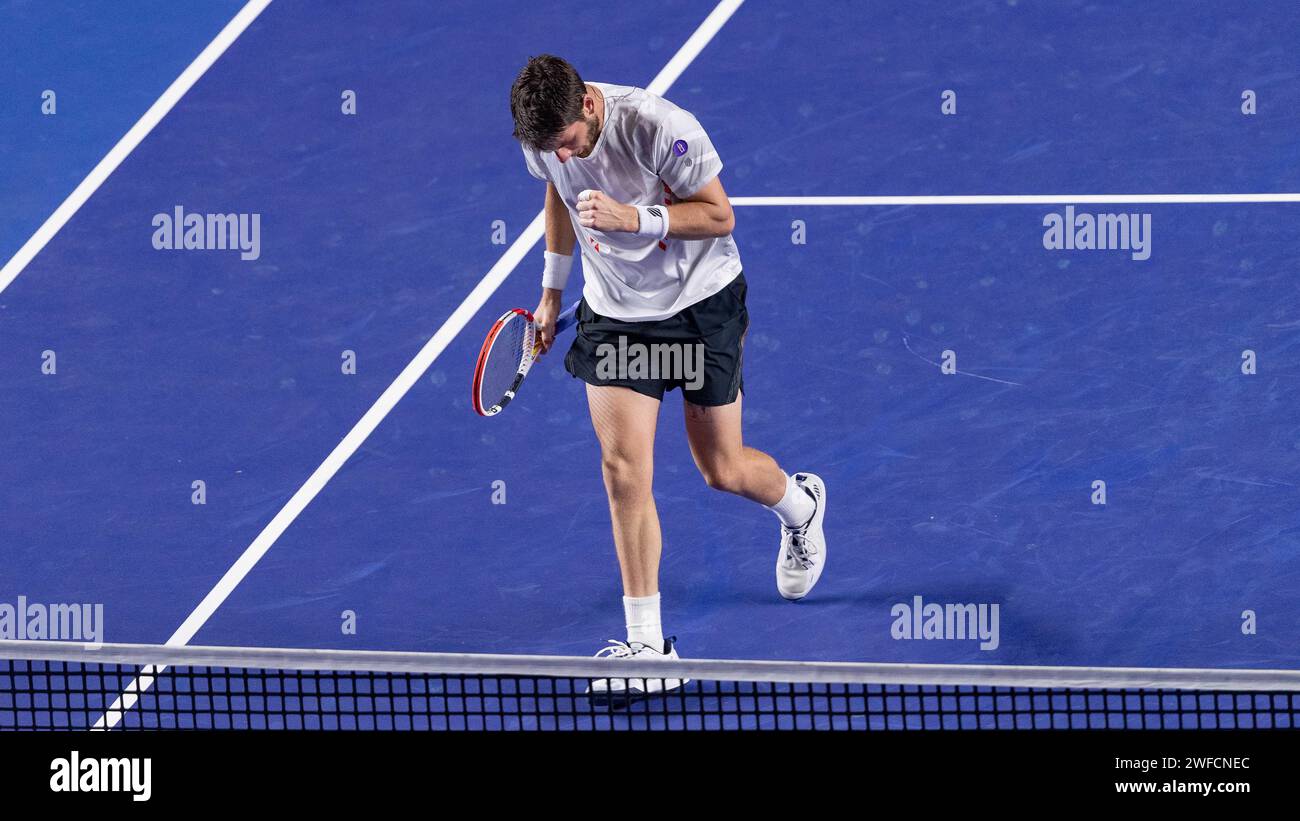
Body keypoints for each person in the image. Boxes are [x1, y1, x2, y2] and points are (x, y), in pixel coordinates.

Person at [509, 54, 827, 697]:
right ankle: (649, 650)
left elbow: (719, 215)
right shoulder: (547, 145)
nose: (563, 158)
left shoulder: (660, 127)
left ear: (590, 107)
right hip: (618, 316)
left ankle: (801, 507)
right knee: (624, 470)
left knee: (723, 470)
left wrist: (636, 219)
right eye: (549, 150)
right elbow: (559, 192)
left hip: (698, 306)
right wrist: (550, 292)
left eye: (568, 143)